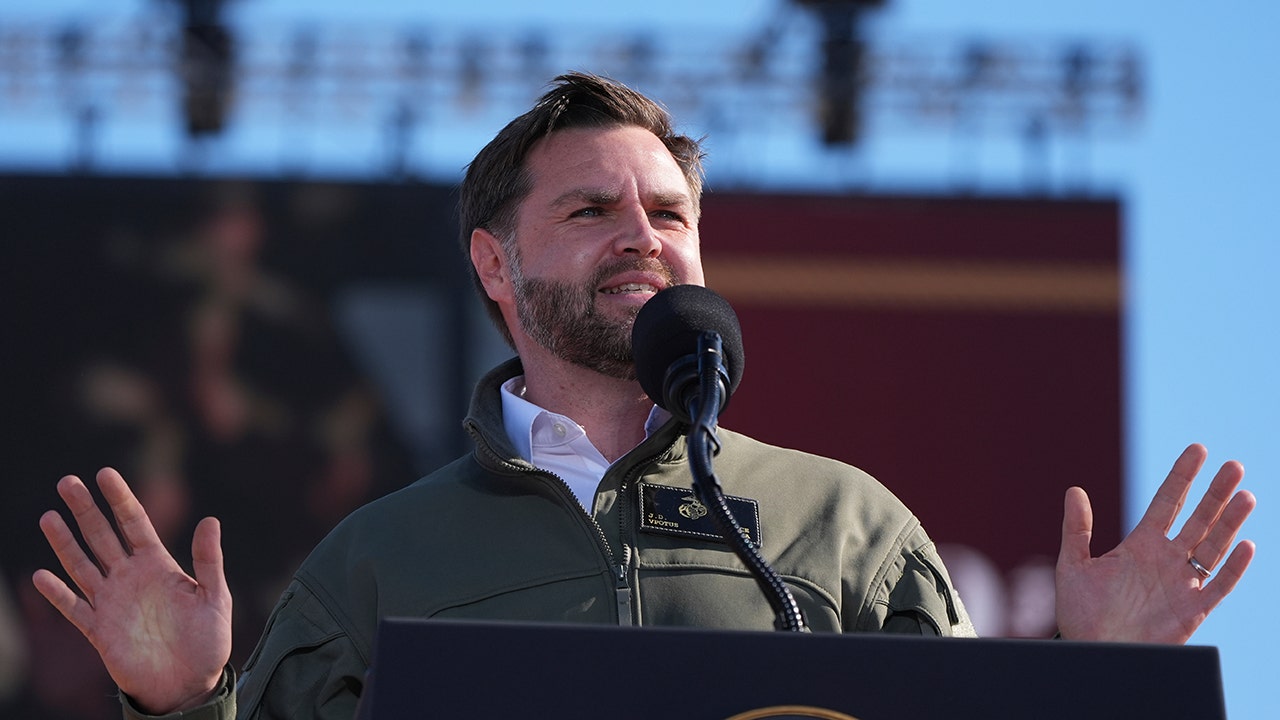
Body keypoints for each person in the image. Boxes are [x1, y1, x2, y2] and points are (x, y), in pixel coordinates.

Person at [33, 72, 1256, 720]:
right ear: (492, 266)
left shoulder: (852, 528)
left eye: (668, 214)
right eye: (589, 211)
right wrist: (184, 705)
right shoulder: (371, 563)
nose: (641, 239)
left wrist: (1105, 687)